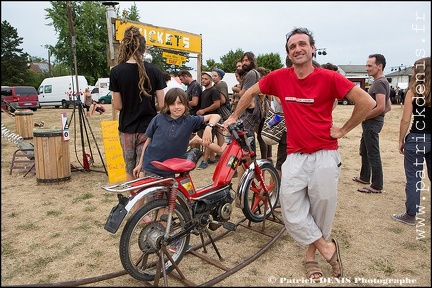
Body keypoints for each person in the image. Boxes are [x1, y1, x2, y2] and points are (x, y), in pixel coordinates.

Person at [224, 27, 376, 281]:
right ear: (288, 52)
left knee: (320, 210)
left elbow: (368, 102)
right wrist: (233, 116)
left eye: (302, 44)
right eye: (292, 46)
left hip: (325, 155)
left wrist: (344, 129)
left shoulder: (329, 78)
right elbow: (250, 92)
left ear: (312, 48)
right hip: (295, 156)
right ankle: (328, 248)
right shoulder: (279, 77)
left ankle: (311, 256)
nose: (297, 49)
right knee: (292, 211)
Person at [109, 25, 166, 212]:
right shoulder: (155, 71)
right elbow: (162, 104)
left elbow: (118, 106)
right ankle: (148, 211)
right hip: (149, 128)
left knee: (129, 168)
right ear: (144, 49)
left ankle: (135, 212)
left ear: (125, 47)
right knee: (144, 169)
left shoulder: (117, 72)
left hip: (126, 128)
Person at [133, 87, 220, 181]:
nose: (176, 107)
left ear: (185, 104)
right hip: (151, 166)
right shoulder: (158, 119)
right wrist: (140, 164)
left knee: (170, 194)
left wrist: (208, 127)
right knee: (153, 194)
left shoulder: (189, 120)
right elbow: (148, 142)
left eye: (180, 103)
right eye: (172, 104)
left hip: (171, 168)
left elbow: (216, 116)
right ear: (167, 105)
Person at [391, 57, 431, 225]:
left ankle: (411, 215)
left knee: (414, 178)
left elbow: (405, 120)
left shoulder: (413, 91)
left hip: (417, 138)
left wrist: (401, 140)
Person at [353, 54, 391, 194]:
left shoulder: (379, 83)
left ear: (379, 66)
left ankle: (376, 185)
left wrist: (363, 117)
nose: (367, 68)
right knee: (365, 150)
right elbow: (388, 107)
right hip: (373, 123)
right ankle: (364, 176)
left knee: (373, 153)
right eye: (367, 65)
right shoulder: (383, 82)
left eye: (370, 66)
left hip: (371, 125)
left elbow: (381, 107)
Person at [196, 71, 222, 169]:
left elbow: (217, 104)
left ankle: (204, 161)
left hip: (212, 119)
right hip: (204, 118)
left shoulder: (214, 90)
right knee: (206, 139)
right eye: (202, 78)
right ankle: (211, 158)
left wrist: (204, 110)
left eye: (206, 79)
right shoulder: (204, 92)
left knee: (208, 139)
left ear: (211, 80)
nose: (203, 80)